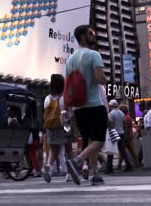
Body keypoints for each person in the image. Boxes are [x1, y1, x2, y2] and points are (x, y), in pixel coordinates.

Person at [65, 25, 108, 186]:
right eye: (91, 33)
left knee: (90, 141)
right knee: (99, 141)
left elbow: (68, 86)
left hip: (78, 108)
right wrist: (105, 79)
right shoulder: (93, 55)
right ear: (83, 37)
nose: (93, 35)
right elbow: (100, 78)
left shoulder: (69, 60)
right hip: (94, 105)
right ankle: (77, 161)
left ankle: (95, 173)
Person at [43, 74, 73, 183]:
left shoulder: (47, 98)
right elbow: (70, 112)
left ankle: (49, 166)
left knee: (53, 150)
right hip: (63, 126)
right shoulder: (64, 97)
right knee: (68, 150)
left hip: (50, 127)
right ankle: (70, 173)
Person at [106, 100, 133, 173]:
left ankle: (109, 168)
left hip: (114, 132)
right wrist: (125, 133)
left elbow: (110, 124)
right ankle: (129, 165)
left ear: (111, 106)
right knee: (122, 150)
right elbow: (125, 125)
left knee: (111, 151)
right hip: (122, 133)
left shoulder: (111, 114)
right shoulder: (122, 113)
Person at [117, 104, 140, 169]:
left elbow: (126, 128)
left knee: (123, 150)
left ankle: (120, 165)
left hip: (127, 136)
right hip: (129, 135)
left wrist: (125, 137)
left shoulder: (125, 117)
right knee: (130, 150)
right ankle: (137, 163)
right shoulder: (128, 117)